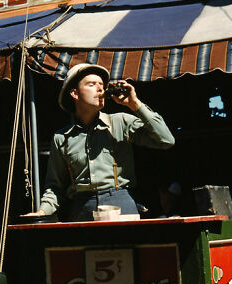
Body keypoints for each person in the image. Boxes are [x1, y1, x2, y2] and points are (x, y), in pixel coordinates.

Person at [23, 63, 175, 222]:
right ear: (75, 93)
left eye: (102, 85)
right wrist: (42, 211)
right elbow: (55, 187)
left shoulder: (120, 122)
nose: (100, 89)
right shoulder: (62, 137)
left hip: (120, 203)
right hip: (81, 208)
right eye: (91, 84)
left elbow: (165, 140)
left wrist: (134, 104)